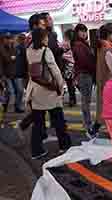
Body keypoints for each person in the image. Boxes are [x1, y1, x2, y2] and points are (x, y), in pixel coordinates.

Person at [26, 28, 71, 159]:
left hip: (35, 89)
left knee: (38, 123)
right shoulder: (46, 51)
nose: (47, 39)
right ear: (41, 38)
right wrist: (60, 85)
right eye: (45, 37)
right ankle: (64, 145)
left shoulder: (29, 51)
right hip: (48, 90)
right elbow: (55, 70)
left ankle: (36, 150)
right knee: (58, 119)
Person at [94, 24, 112, 133]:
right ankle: (100, 129)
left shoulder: (101, 46)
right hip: (109, 83)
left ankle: (97, 128)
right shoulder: (108, 49)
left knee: (103, 106)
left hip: (102, 81)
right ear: (108, 35)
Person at [72, 24, 97, 138]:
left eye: (85, 31)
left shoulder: (82, 44)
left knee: (86, 101)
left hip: (86, 75)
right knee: (86, 101)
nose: (84, 33)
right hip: (84, 75)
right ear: (77, 33)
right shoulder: (78, 45)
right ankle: (88, 125)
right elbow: (84, 61)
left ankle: (88, 124)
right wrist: (93, 67)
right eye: (81, 31)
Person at [0, 33, 18, 113]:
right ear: (3, 40)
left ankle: (14, 106)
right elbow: (3, 61)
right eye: (7, 38)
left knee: (18, 90)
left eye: (10, 38)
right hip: (6, 74)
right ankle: (5, 105)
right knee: (10, 91)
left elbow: (16, 58)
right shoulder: (1, 49)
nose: (9, 40)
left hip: (14, 73)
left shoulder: (13, 47)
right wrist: (2, 75)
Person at [62, 29, 76, 107]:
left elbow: (63, 54)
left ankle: (72, 99)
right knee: (72, 83)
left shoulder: (66, 43)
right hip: (73, 65)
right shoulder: (75, 43)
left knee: (70, 83)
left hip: (68, 66)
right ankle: (73, 99)